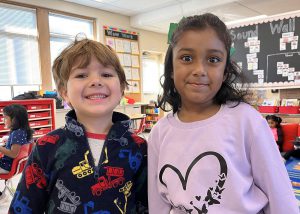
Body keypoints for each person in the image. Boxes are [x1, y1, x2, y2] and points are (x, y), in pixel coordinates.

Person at [148, 13, 298, 213]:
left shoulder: (246, 120)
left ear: (225, 71)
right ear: (171, 68)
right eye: (186, 58)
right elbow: (157, 202)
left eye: (213, 59)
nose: (199, 69)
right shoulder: (160, 132)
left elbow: (279, 193)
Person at [9, 38, 148, 213]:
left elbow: (147, 205)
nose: (96, 81)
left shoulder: (139, 147)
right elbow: (23, 207)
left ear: (121, 88)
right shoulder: (47, 146)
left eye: (106, 74)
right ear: (64, 93)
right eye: (82, 75)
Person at [0, 104, 33, 197]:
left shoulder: (16, 134)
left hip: (6, 166)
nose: (3, 121)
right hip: (11, 165)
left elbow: (13, 154)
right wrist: (8, 141)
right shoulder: (23, 131)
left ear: (15, 119)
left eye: (5, 118)